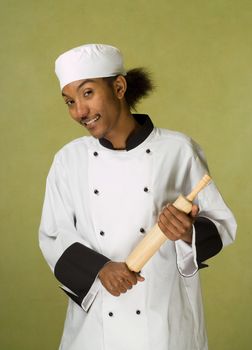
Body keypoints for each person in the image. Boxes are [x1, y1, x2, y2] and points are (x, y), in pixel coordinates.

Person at [39, 44, 237, 350]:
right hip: (95, 328)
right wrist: (101, 269)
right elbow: (53, 233)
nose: (79, 112)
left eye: (87, 93)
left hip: (164, 322)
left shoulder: (178, 150)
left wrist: (186, 233)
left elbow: (220, 223)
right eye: (70, 101)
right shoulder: (68, 161)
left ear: (119, 87)